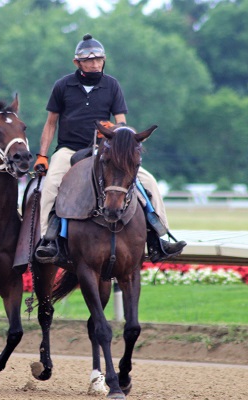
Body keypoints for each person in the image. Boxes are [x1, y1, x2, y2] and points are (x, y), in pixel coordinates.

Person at [33, 34, 186, 264]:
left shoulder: (112, 84)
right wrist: (43, 156)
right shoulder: (62, 85)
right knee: (51, 185)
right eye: (90, 60)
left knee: (149, 182)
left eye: (99, 60)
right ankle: (48, 240)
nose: (95, 64)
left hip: (104, 148)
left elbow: (122, 122)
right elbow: (51, 123)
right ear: (77, 63)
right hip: (68, 149)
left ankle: (160, 239)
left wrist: (114, 130)